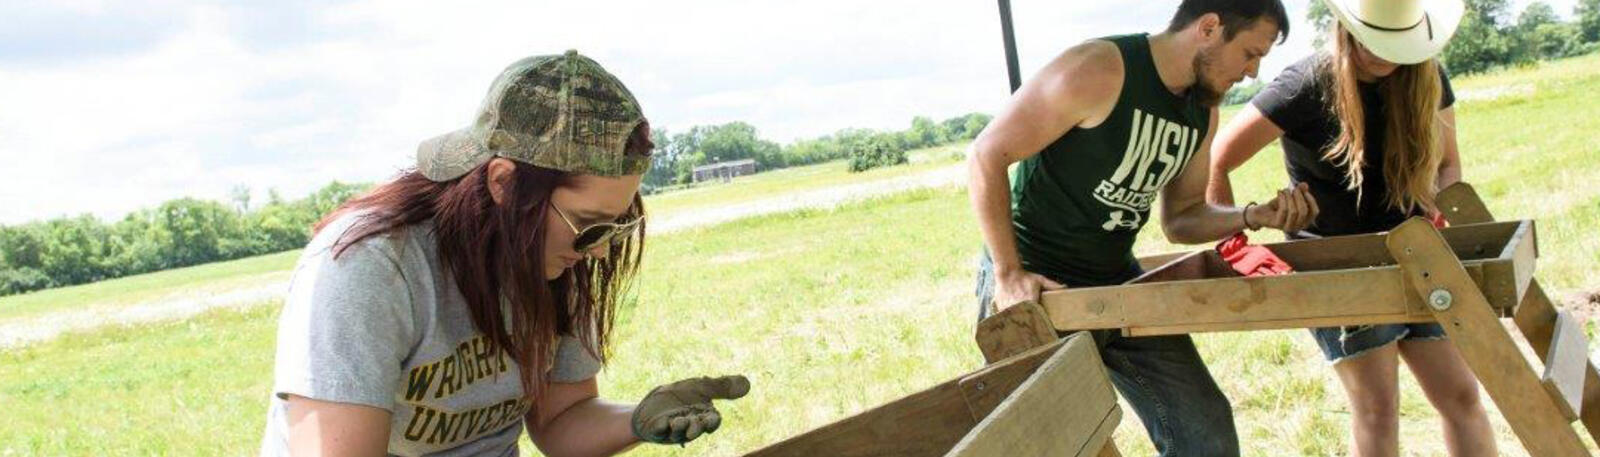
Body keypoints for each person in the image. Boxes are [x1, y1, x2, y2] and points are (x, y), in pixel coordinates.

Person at [259, 51, 749, 457]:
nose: (599, 250)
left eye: (614, 225)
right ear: (504, 183)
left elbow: (560, 419)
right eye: (588, 224)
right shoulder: (371, 266)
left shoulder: (556, 261)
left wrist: (639, 419)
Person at [968, 1, 1318, 455]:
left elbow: (1184, 216)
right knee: (1061, 441)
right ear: (1209, 27)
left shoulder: (1202, 110)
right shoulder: (1098, 69)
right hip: (1038, 280)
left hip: (1115, 279)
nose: (1252, 73)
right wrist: (1008, 274)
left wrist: (1253, 215)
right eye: (1250, 53)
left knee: (1205, 427)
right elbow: (985, 155)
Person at [1207, 0, 1494, 455]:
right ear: (1348, 29)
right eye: (1373, 39)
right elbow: (1218, 159)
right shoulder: (1305, 85)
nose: (1382, 53)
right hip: (1337, 265)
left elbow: (1449, 164)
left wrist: (1439, 213)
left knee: (1461, 395)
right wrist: (1234, 242)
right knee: (1378, 409)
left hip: (1418, 255)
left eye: (1395, 43)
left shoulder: (1427, 78)